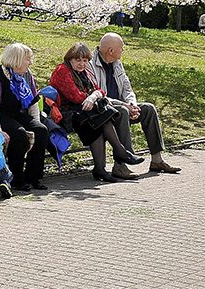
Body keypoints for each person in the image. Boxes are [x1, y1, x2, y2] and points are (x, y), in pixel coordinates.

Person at [49, 42, 145, 183]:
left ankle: (102, 167)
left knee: (100, 120)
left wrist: (93, 96)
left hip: (84, 110)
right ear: (70, 59)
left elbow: (100, 90)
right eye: (78, 60)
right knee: (99, 119)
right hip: (67, 112)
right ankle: (118, 154)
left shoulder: (84, 72)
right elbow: (74, 96)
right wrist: (93, 97)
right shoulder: (62, 70)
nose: (82, 64)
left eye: (85, 60)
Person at [89, 33, 181, 178]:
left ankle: (157, 160)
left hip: (123, 106)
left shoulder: (117, 63)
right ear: (111, 51)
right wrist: (126, 105)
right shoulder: (90, 66)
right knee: (123, 111)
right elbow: (99, 95)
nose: (123, 50)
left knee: (149, 109)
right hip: (103, 110)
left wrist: (133, 104)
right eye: (121, 48)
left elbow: (127, 88)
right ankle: (121, 165)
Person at [0, 43, 48, 191]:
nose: (30, 62)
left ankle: (33, 176)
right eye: (27, 59)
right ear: (16, 60)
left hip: (17, 113)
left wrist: (35, 122)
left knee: (41, 130)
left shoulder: (27, 75)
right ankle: (16, 178)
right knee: (19, 134)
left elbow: (33, 102)